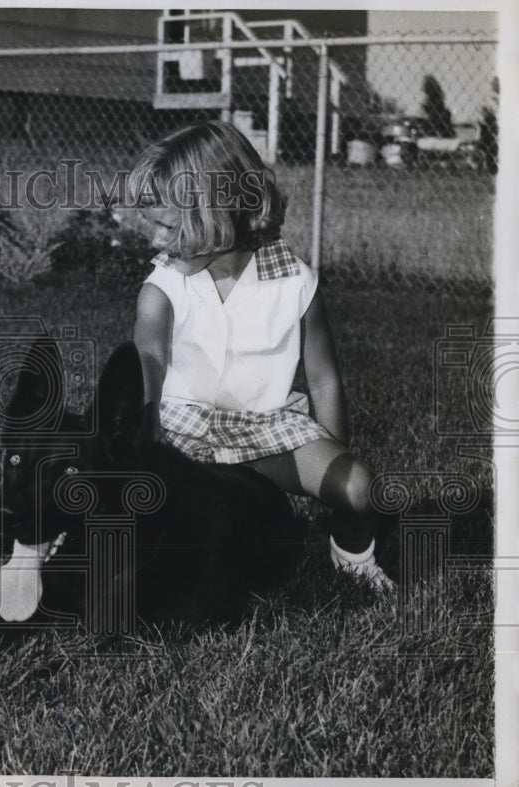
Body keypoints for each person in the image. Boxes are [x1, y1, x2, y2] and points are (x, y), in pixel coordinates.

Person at [129, 120, 393, 590]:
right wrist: (144, 438)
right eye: (154, 226)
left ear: (218, 210)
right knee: (157, 522)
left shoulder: (296, 283)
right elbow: (148, 358)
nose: (155, 241)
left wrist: (331, 464)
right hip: (179, 431)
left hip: (266, 432)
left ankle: (351, 558)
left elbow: (325, 380)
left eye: (167, 226)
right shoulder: (164, 284)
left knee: (359, 488)